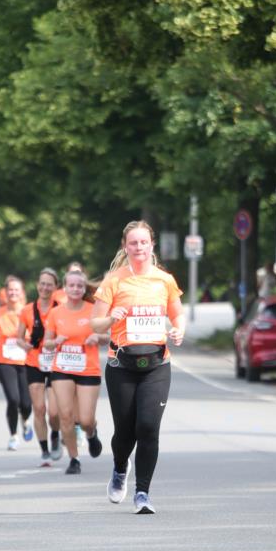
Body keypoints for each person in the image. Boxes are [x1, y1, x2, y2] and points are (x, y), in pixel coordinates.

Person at [90, 220, 185, 514]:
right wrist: (111, 318)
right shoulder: (114, 281)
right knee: (125, 433)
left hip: (157, 364)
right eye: (133, 242)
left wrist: (179, 330)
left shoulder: (164, 280)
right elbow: (95, 323)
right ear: (125, 246)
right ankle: (120, 467)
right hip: (122, 365)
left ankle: (142, 493)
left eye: (144, 242)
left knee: (148, 427)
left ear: (151, 245)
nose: (139, 247)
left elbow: (177, 315)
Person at [42, 270, 108, 476]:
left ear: (84, 288)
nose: (75, 289)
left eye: (79, 286)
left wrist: (97, 338)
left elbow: (107, 336)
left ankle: (91, 433)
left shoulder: (93, 310)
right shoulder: (56, 312)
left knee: (85, 420)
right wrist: (55, 342)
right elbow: (46, 343)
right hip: (62, 368)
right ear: (65, 288)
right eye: (71, 285)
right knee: (66, 416)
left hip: (88, 369)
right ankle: (74, 459)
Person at [17, 269, 62, 465]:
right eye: (42, 283)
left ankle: (55, 433)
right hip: (34, 362)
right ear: (37, 285)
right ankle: (44, 450)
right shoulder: (27, 310)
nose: (45, 287)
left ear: (55, 287)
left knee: (54, 412)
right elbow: (19, 337)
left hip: (55, 363)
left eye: (49, 284)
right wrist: (24, 345)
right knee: (39, 408)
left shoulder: (60, 309)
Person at [0, 275, 33, 451]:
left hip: (26, 362)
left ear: (22, 292)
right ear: (5, 293)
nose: (13, 293)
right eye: (10, 290)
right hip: (5, 362)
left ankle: (25, 419)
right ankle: (13, 436)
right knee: (13, 399)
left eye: (16, 290)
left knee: (26, 404)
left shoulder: (29, 312)